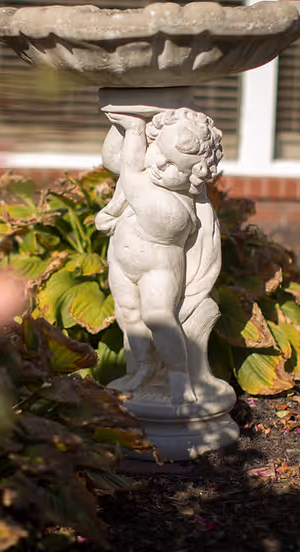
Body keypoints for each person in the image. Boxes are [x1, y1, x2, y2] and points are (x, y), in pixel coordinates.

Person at [96, 107, 223, 404]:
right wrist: (111, 213)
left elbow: (129, 171)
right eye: (158, 154)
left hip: (158, 269)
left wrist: (134, 129)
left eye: (173, 166)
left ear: (195, 176)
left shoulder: (171, 205)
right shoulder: (148, 180)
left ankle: (179, 377)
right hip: (122, 263)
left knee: (158, 317)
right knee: (128, 316)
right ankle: (142, 368)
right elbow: (121, 179)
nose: (159, 165)